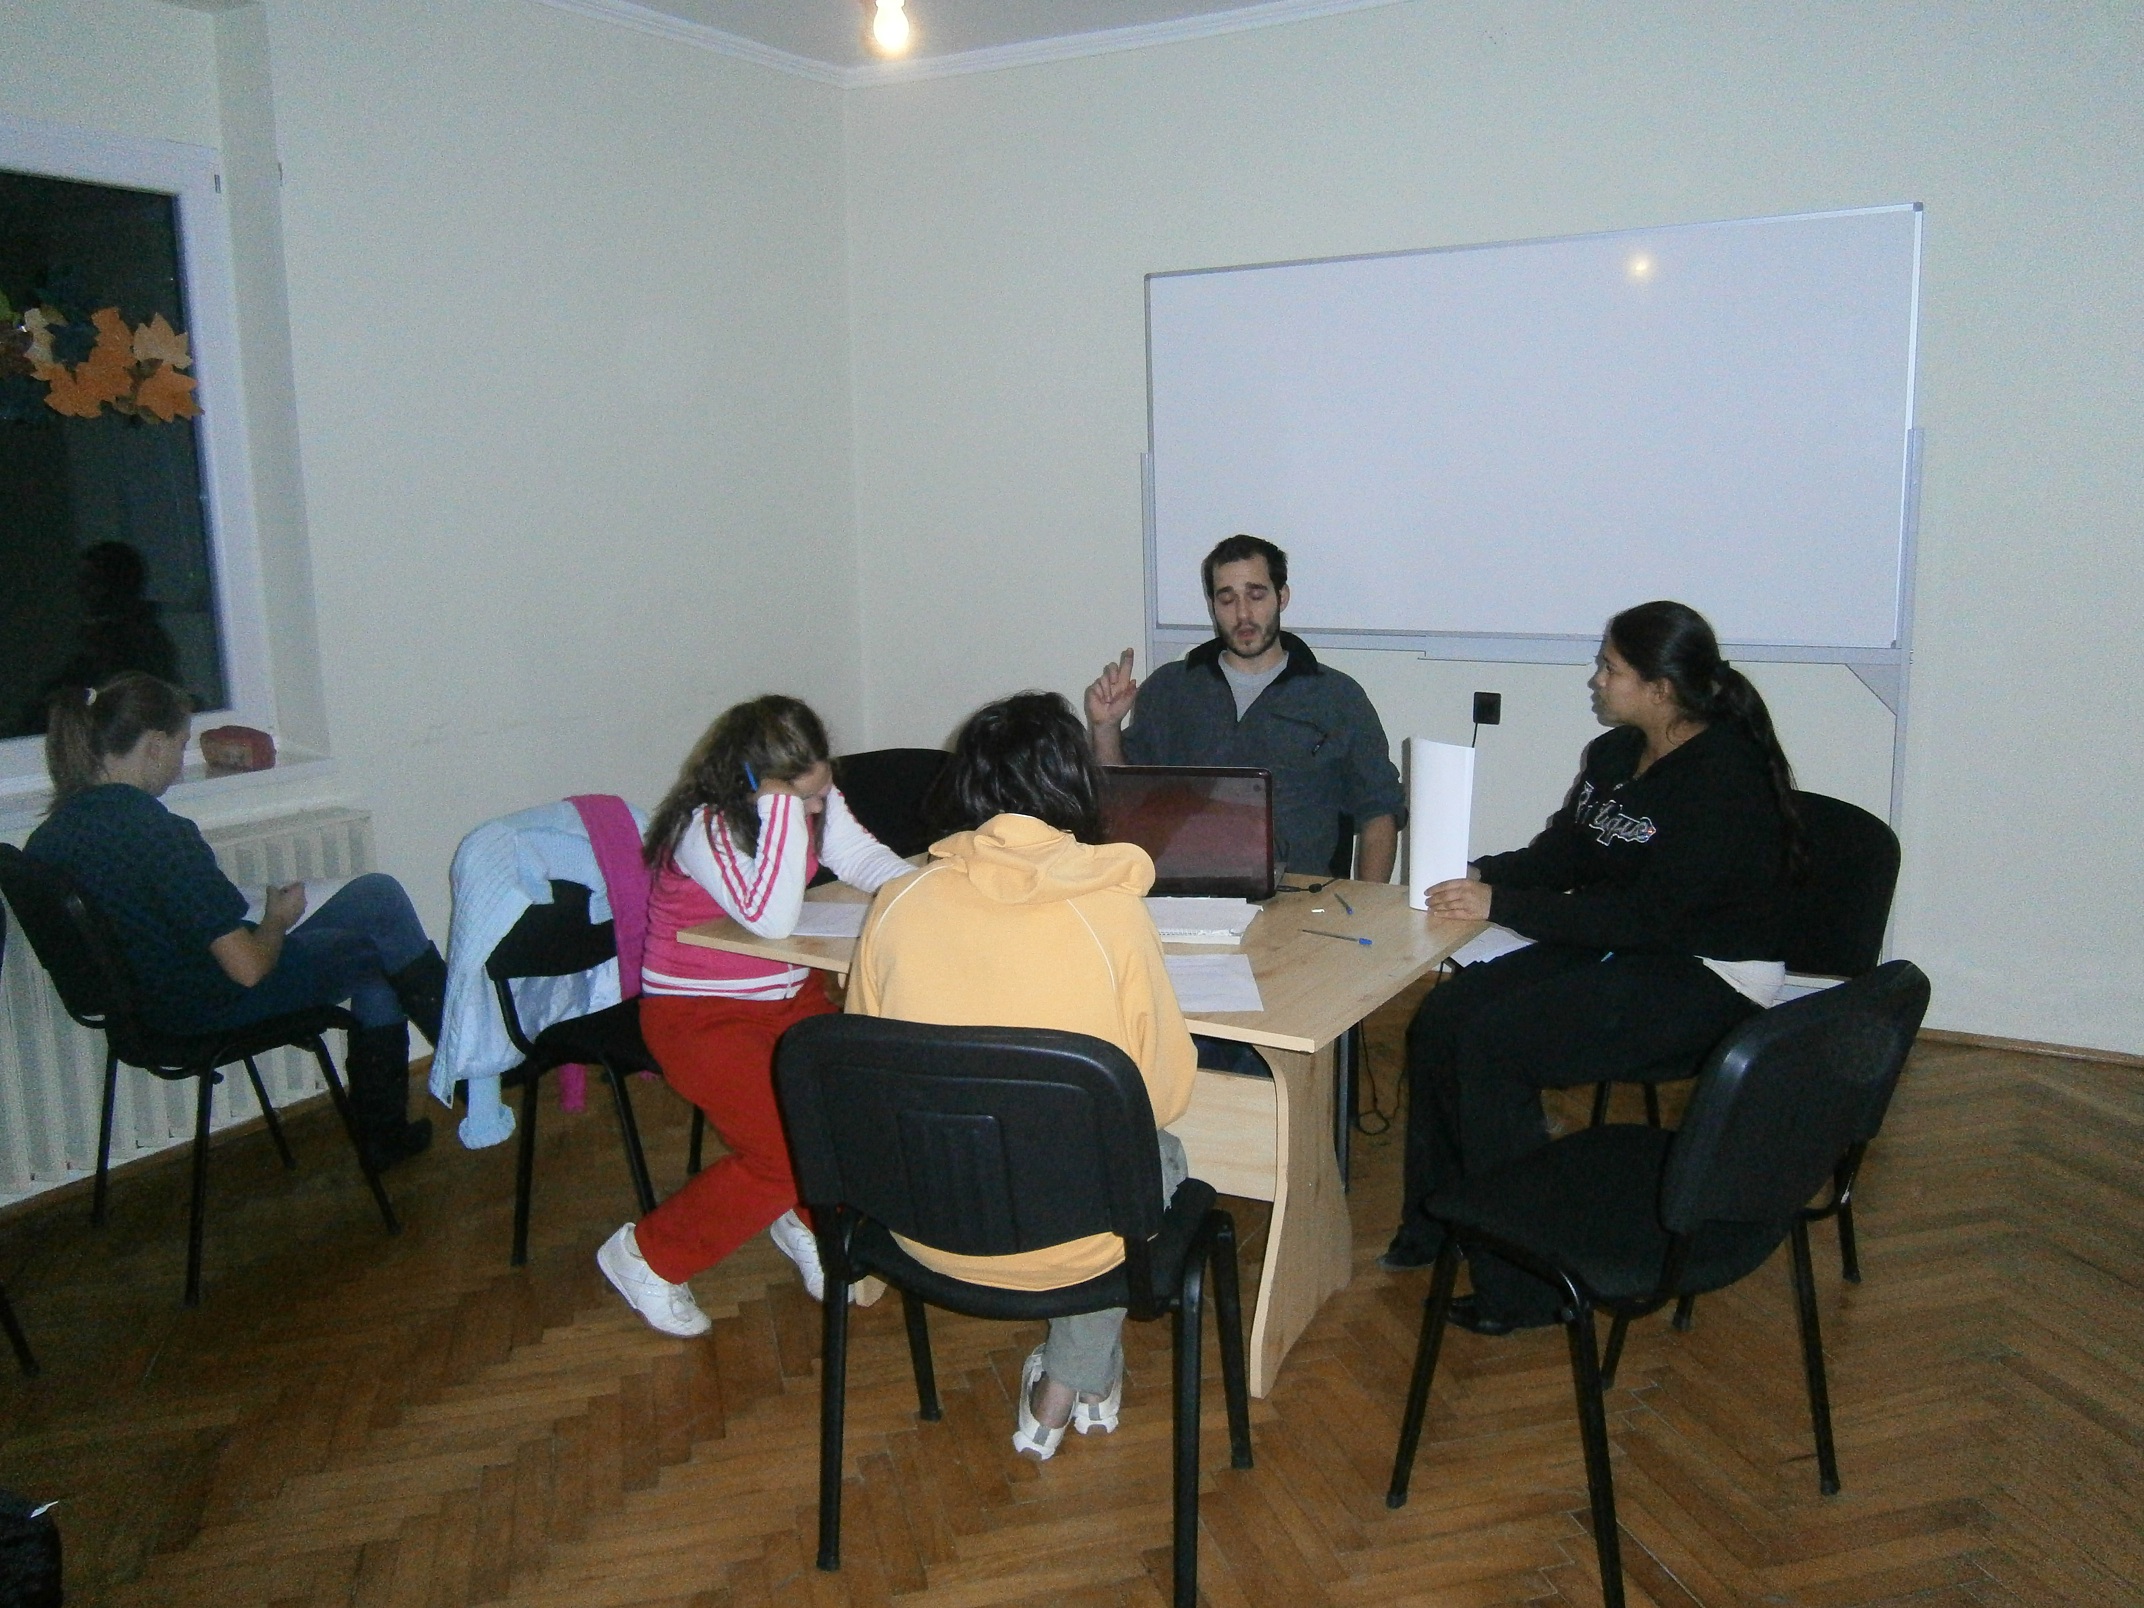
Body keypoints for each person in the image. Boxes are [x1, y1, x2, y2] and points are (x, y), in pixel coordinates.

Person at [1381, 601, 1800, 1332]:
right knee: (1445, 1016)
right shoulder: (1614, 755)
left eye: (1610, 668)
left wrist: (1502, 903)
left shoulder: (1723, 780)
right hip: (1628, 946)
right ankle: (1439, 1223)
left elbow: (1648, 918)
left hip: (1710, 973)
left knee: (1495, 1044)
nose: (1596, 680)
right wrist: (1478, 873)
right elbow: (1565, 857)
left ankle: (1528, 1283)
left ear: (1660, 690)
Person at [849, 691, 1197, 1461]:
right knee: (1160, 1155)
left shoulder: (897, 904)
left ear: (967, 785)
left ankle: (1079, 1386)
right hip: (1071, 1242)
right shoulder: (1112, 916)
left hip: (921, 1222)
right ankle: (1071, 1384)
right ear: (1077, 785)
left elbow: (867, 1077)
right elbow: (1164, 1096)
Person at [26, 674, 444, 1169]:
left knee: (376, 901)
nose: (179, 765)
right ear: (154, 746)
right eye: (181, 746)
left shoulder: (49, 839)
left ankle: (427, 1093)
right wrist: (277, 919)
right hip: (208, 1005)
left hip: (144, 1011)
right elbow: (248, 968)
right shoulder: (156, 833)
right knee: (379, 935)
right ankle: (462, 1060)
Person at [595, 695, 912, 1338]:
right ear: (760, 787)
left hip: (788, 999)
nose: (819, 808)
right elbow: (771, 916)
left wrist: (920, 893)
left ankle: (801, 1219)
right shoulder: (705, 828)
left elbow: (861, 858)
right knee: (785, 1153)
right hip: (698, 1014)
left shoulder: (808, 797)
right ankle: (646, 1256)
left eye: (822, 793)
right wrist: (782, 809)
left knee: (844, 1115)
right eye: (806, 799)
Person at [1085, 534, 1403, 882]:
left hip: (1298, 896)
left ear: (1282, 597)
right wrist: (1105, 728)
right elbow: (1120, 800)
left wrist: (1368, 904)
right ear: (1212, 605)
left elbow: (1379, 811)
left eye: (1256, 596)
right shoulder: (1170, 688)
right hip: (1185, 888)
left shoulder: (1336, 697)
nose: (1243, 614)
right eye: (1227, 600)